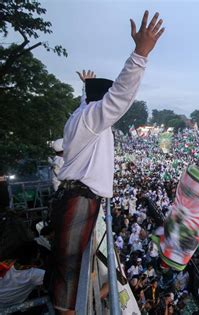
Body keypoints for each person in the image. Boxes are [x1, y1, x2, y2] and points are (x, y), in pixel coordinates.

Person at [48, 10, 165, 313]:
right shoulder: (92, 119)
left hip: (77, 196)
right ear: (102, 103)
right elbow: (120, 96)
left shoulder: (81, 116)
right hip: (81, 199)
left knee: (67, 266)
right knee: (69, 271)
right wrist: (141, 53)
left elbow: (88, 104)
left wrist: (84, 90)